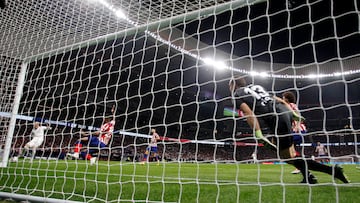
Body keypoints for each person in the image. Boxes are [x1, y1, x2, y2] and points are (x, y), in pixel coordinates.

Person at [229, 76, 349, 184]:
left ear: (233, 85)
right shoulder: (256, 87)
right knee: (290, 154)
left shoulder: (237, 95)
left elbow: (249, 113)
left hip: (276, 118)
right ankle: (308, 177)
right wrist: (293, 114)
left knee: (287, 157)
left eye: (229, 85)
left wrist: (258, 133)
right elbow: (279, 100)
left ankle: (334, 171)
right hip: (283, 112)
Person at [280, 91, 307, 174]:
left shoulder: (291, 105)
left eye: (283, 97)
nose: (282, 98)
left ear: (287, 98)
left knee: (289, 149)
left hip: (298, 130)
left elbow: (298, 114)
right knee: (291, 150)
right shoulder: (286, 106)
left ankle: (302, 164)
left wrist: (297, 126)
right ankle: (302, 165)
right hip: (295, 131)